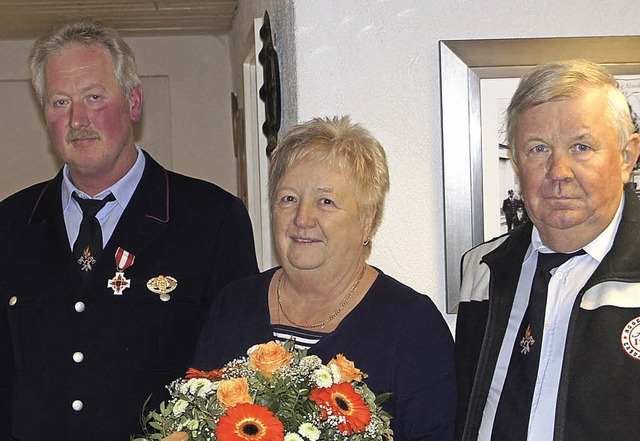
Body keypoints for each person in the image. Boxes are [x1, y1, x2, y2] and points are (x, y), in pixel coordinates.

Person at [0, 19, 258, 440]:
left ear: (134, 102)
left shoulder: (211, 219)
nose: (77, 119)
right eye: (60, 102)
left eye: (94, 97)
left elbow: (237, 378)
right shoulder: (9, 225)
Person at [193, 116, 457, 440]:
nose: (302, 218)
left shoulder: (413, 326)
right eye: (289, 198)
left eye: (326, 201)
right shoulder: (233, 305)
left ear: (366, 220)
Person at [455, 59, 640, 441]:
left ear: (626, 158)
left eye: (582, 147)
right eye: (539, 148)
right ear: (518, 161)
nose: (559, 171)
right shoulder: (483, 269)